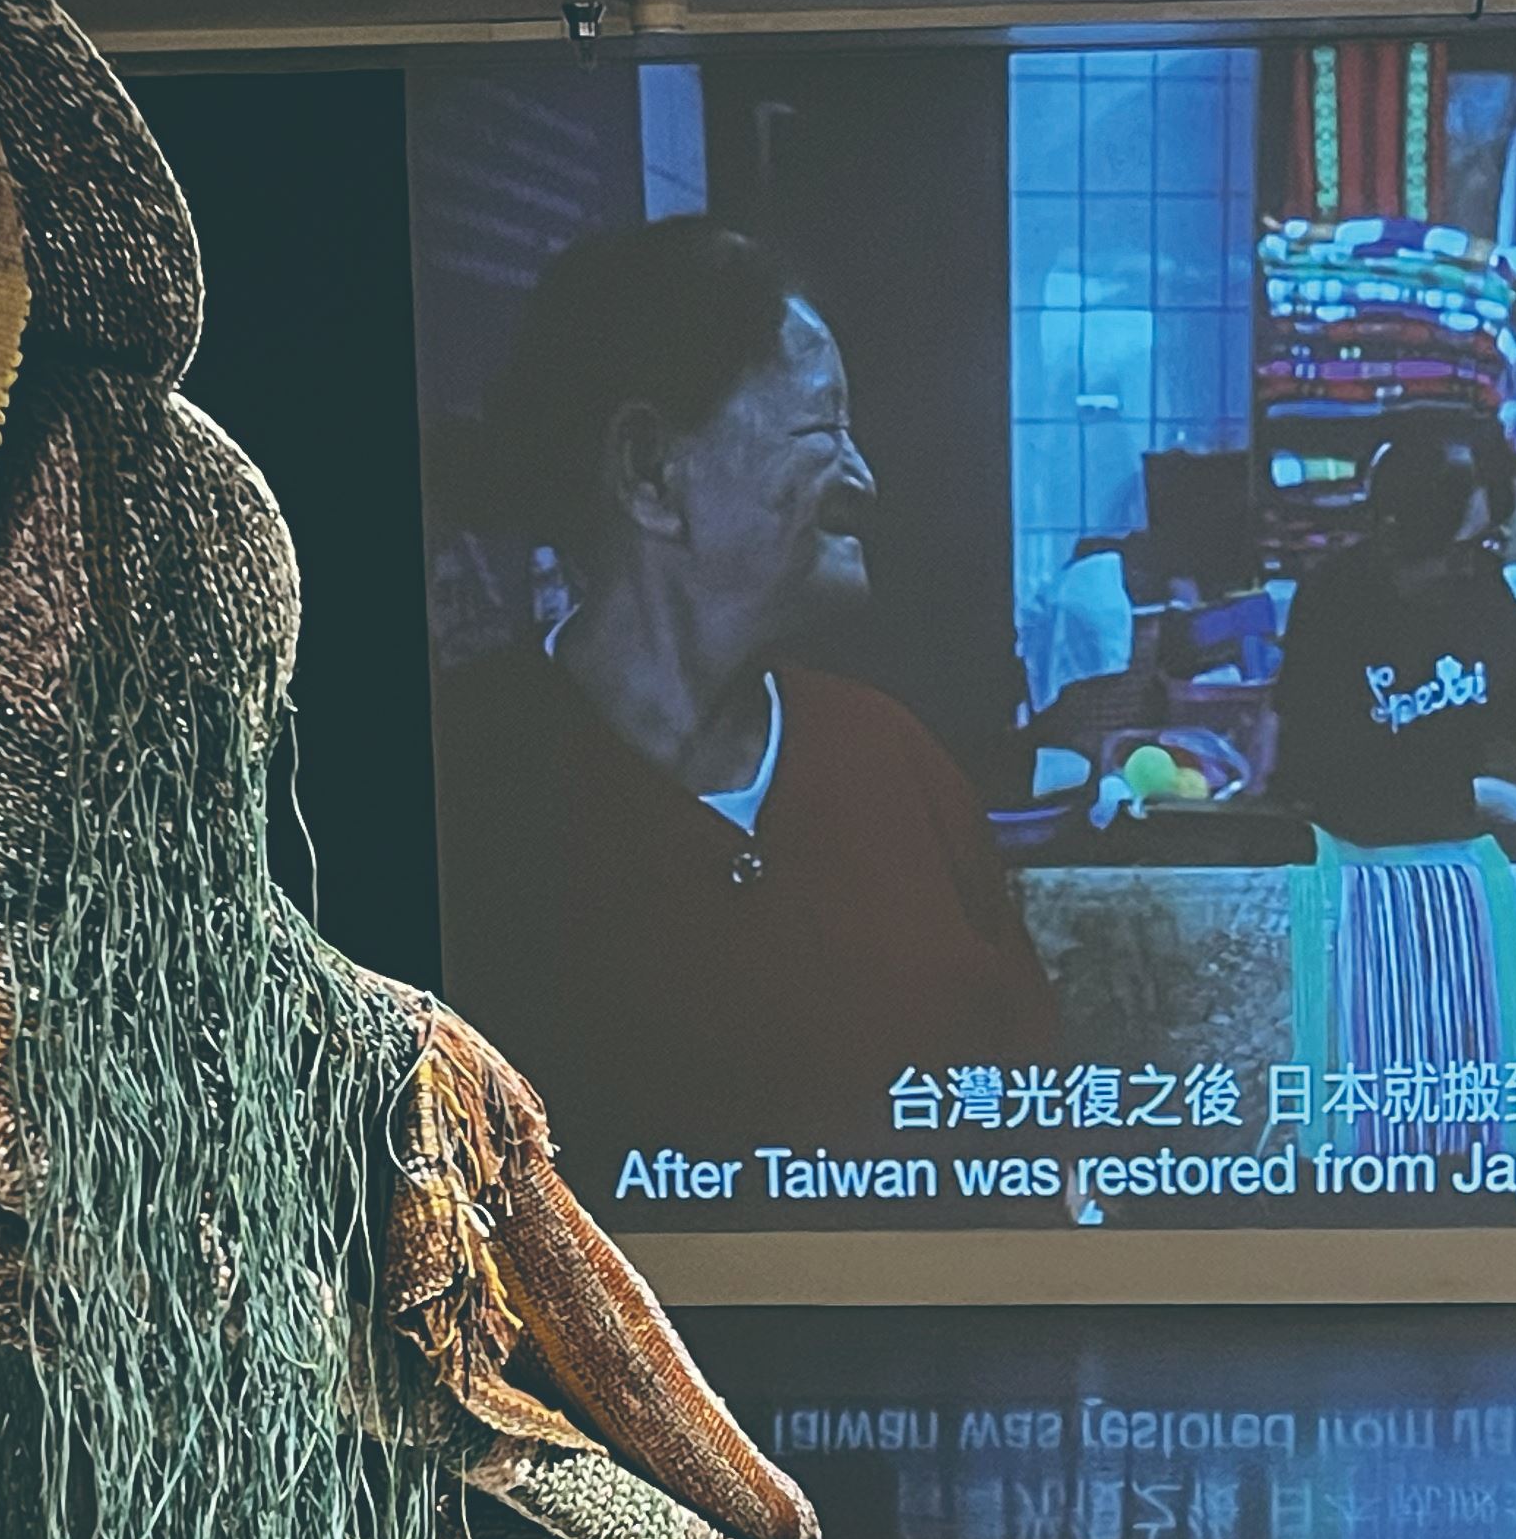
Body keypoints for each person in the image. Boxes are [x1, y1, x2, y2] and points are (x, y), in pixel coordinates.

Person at [432, 219, 1056, 1181]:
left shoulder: (892, 757)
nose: (862, 477)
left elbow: (1042, 1121)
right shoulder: (461, 790)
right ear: (650, 472)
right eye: (822, 429)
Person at [1268, 424, 1516, 849]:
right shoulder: (1334, 601)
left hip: (1453, 843)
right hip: (1358, 852)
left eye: (1482, 545)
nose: (1468, 568)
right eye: (1455, 551)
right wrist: (1474, 796)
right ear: (1396, 536)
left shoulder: (1478, 585)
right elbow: (1324, 775)